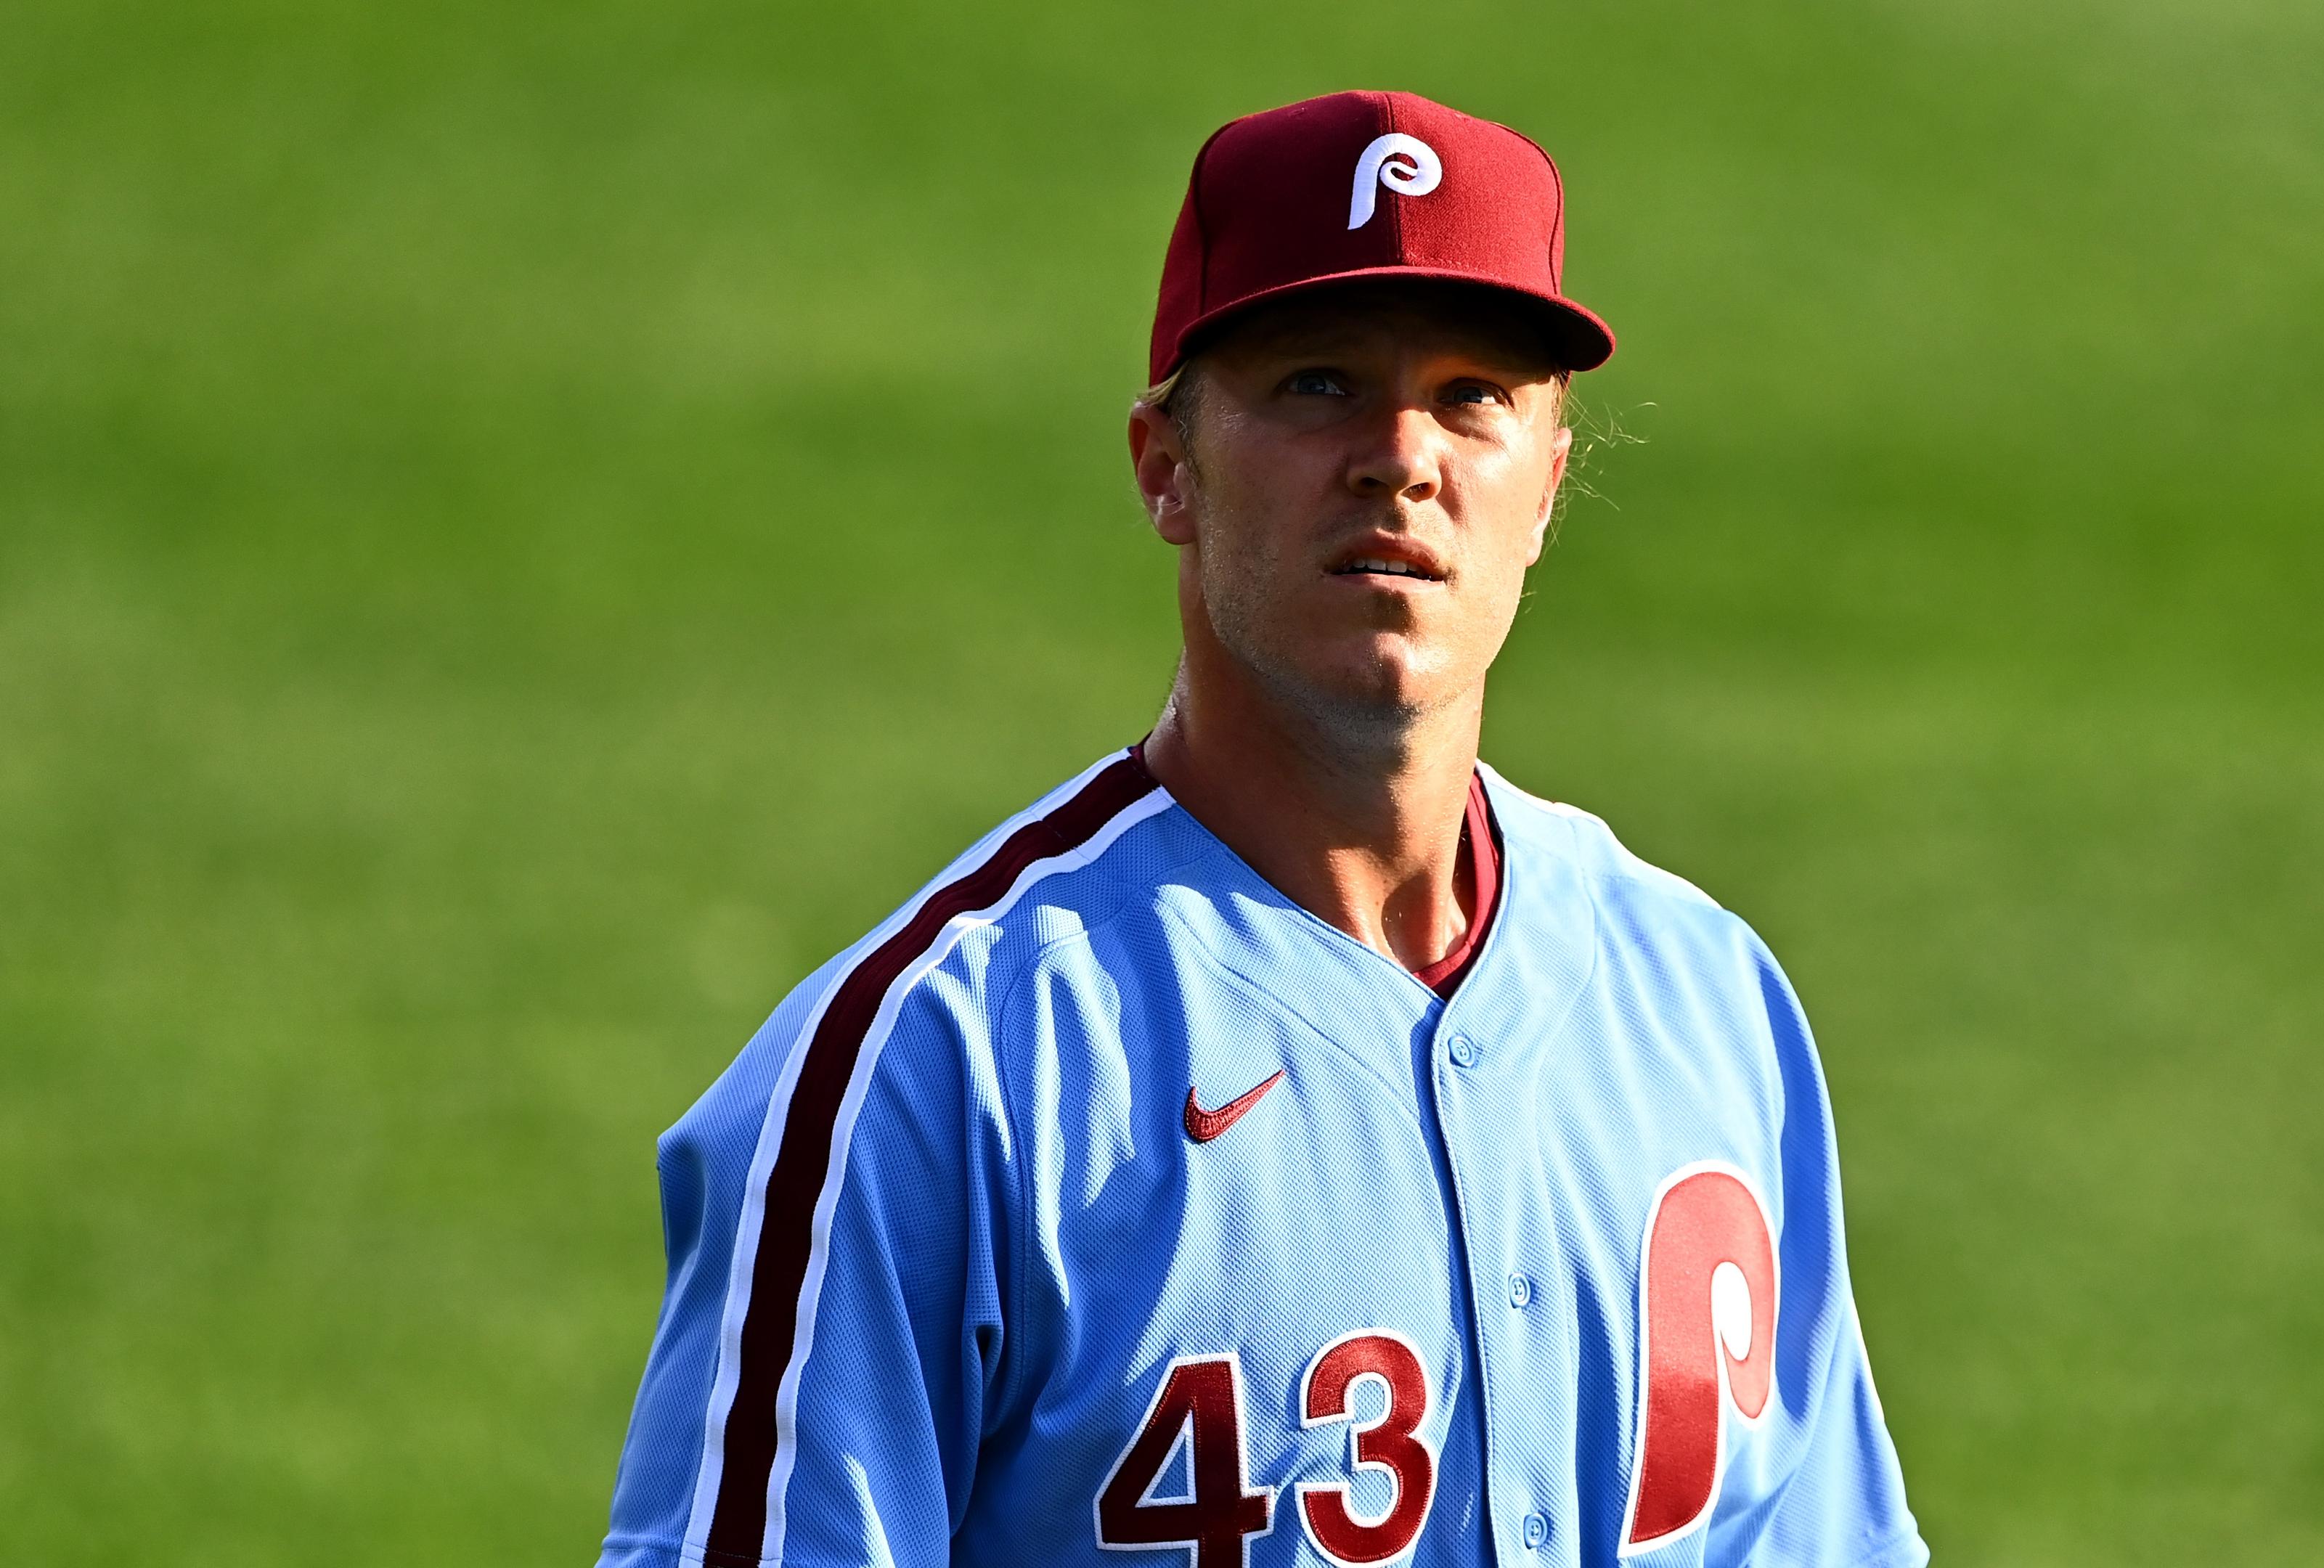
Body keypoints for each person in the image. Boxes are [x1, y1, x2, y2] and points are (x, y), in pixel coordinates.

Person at [595, 89, 1928, 1568]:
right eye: (1315, 385)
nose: (1402, 456)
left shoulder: (1707, 1001)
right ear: (1168, 466)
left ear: (1547, 483)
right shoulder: (937, 1070)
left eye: (1474, 395)